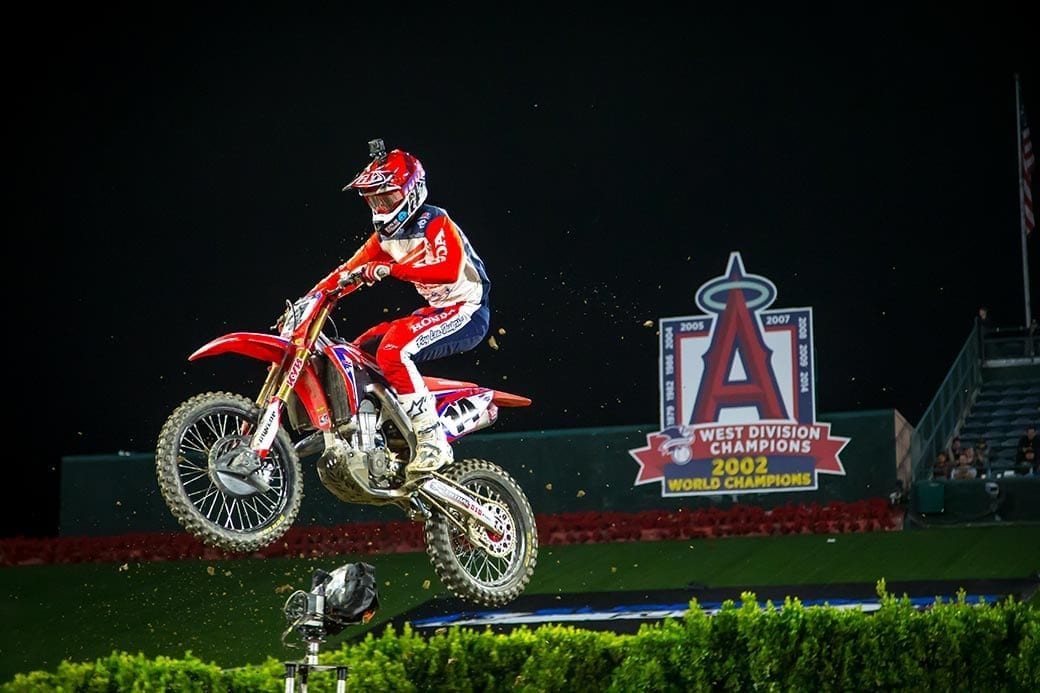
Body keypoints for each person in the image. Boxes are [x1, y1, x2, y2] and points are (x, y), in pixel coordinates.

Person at [330, 139, 490, 477]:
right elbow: (345, 273)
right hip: (437, 312)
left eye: (386, 197)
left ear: (410, 192)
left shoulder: (435, 221)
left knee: (393, 349)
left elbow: (447, 269)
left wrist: (392, 269)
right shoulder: (383, 240)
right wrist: (308, 301)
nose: (380, 205)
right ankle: (387, 433)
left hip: (468, 310)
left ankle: (432, 440)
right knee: (358, 351)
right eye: (374, 199)